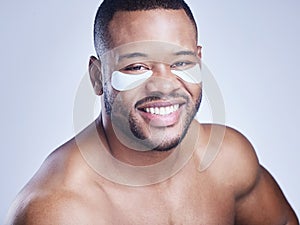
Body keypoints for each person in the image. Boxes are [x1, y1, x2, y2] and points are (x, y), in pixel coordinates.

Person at [5, 0, 298, 224]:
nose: (164, 86)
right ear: (97, 77)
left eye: (181, 63)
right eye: (136, 67)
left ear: (199, 59)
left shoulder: (228, 160)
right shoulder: (60, 210)